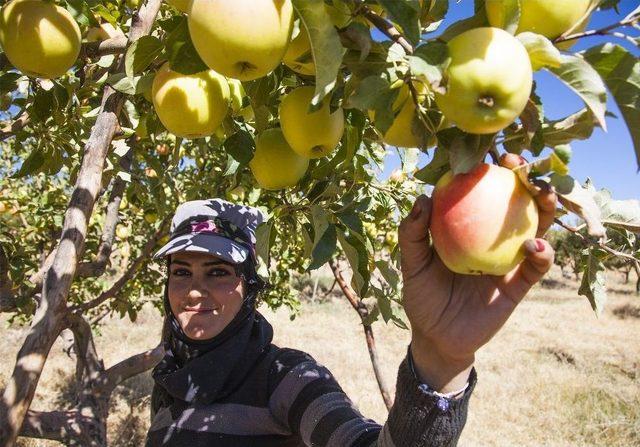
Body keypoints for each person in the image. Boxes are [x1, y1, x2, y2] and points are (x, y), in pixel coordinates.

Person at [146, 179, 557, 446]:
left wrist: (441, 360)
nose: (194, 291)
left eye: (218, 273)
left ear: (250, 286)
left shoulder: (284, 379)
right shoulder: (171, 375)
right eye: (180, 272)